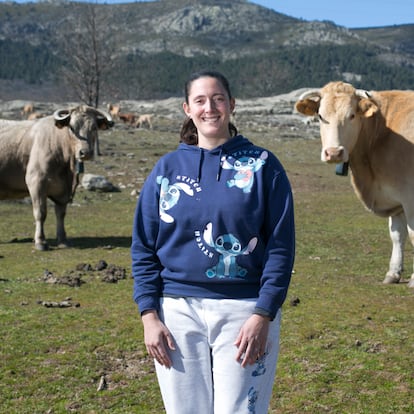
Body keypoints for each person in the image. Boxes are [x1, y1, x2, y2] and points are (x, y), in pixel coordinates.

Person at [131, 70, 295, 414]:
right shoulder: (166, 170)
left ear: (232, 105)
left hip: (243, 312)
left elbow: (280, 246)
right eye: (201, 100)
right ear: (187, 108)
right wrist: (149, 314)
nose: (210, 107)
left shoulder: (264, 167)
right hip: (177, 313)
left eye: (218, 99)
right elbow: (144, 246)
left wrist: (263, 314)